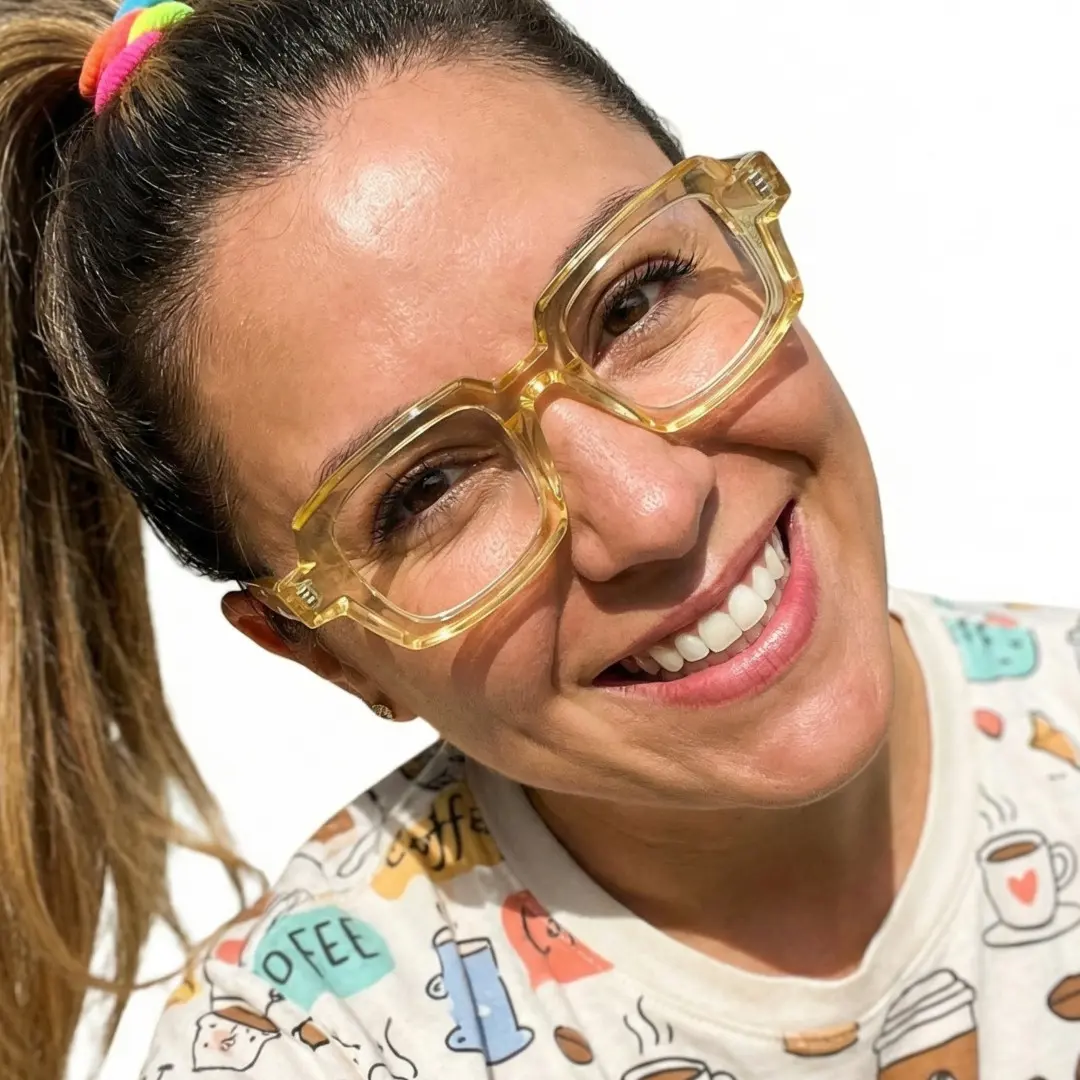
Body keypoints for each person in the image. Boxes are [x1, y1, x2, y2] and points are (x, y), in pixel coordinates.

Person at [0, 0, 1077, 1078]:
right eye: (426, 488)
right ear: (324, 653)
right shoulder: (309, 1046)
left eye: (633, 302)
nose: (652, 508)